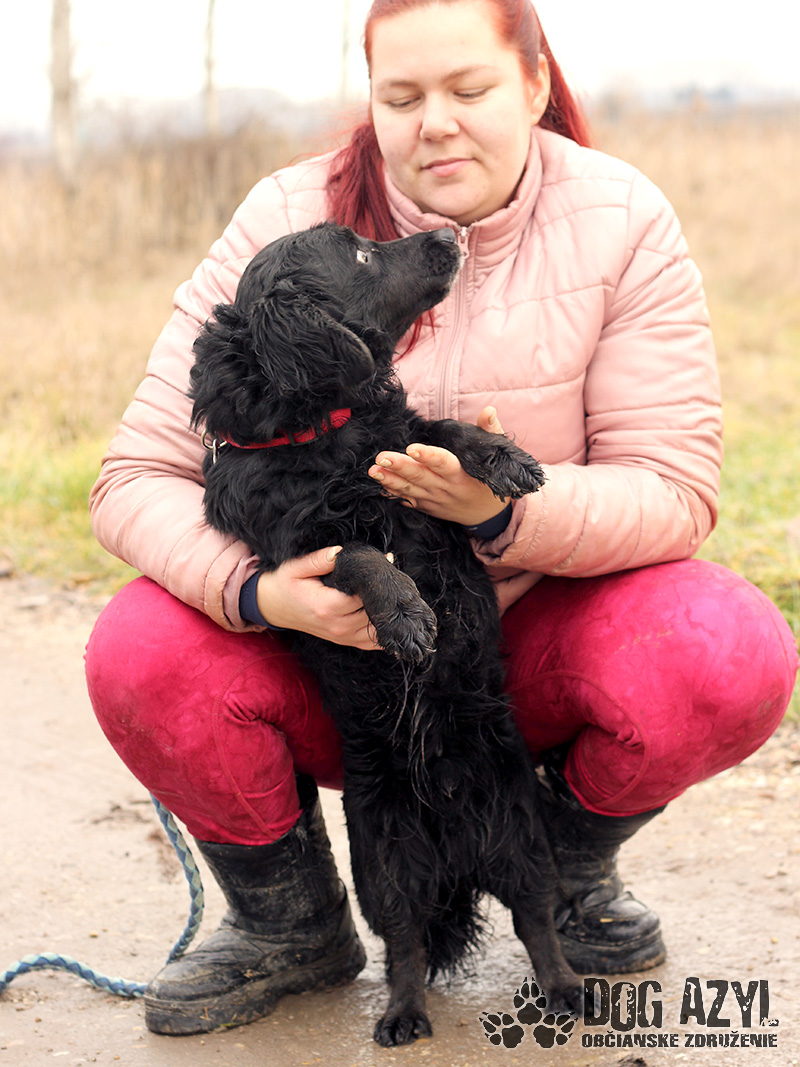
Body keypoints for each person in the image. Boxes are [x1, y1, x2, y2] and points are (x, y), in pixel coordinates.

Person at [85, 0, 798, 1038]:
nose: (435, 123)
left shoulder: (620, 218)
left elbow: (673, 488)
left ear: (535, 84)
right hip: (331, 661)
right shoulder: (282, 222)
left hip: (519, 653)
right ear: (370, 100)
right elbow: (134, 476)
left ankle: (557, 867)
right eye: (401, 96)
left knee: (723, 647)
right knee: (141, 647)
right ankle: (290, 921)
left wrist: (505, 513)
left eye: (469, 88)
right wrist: (261, 592)